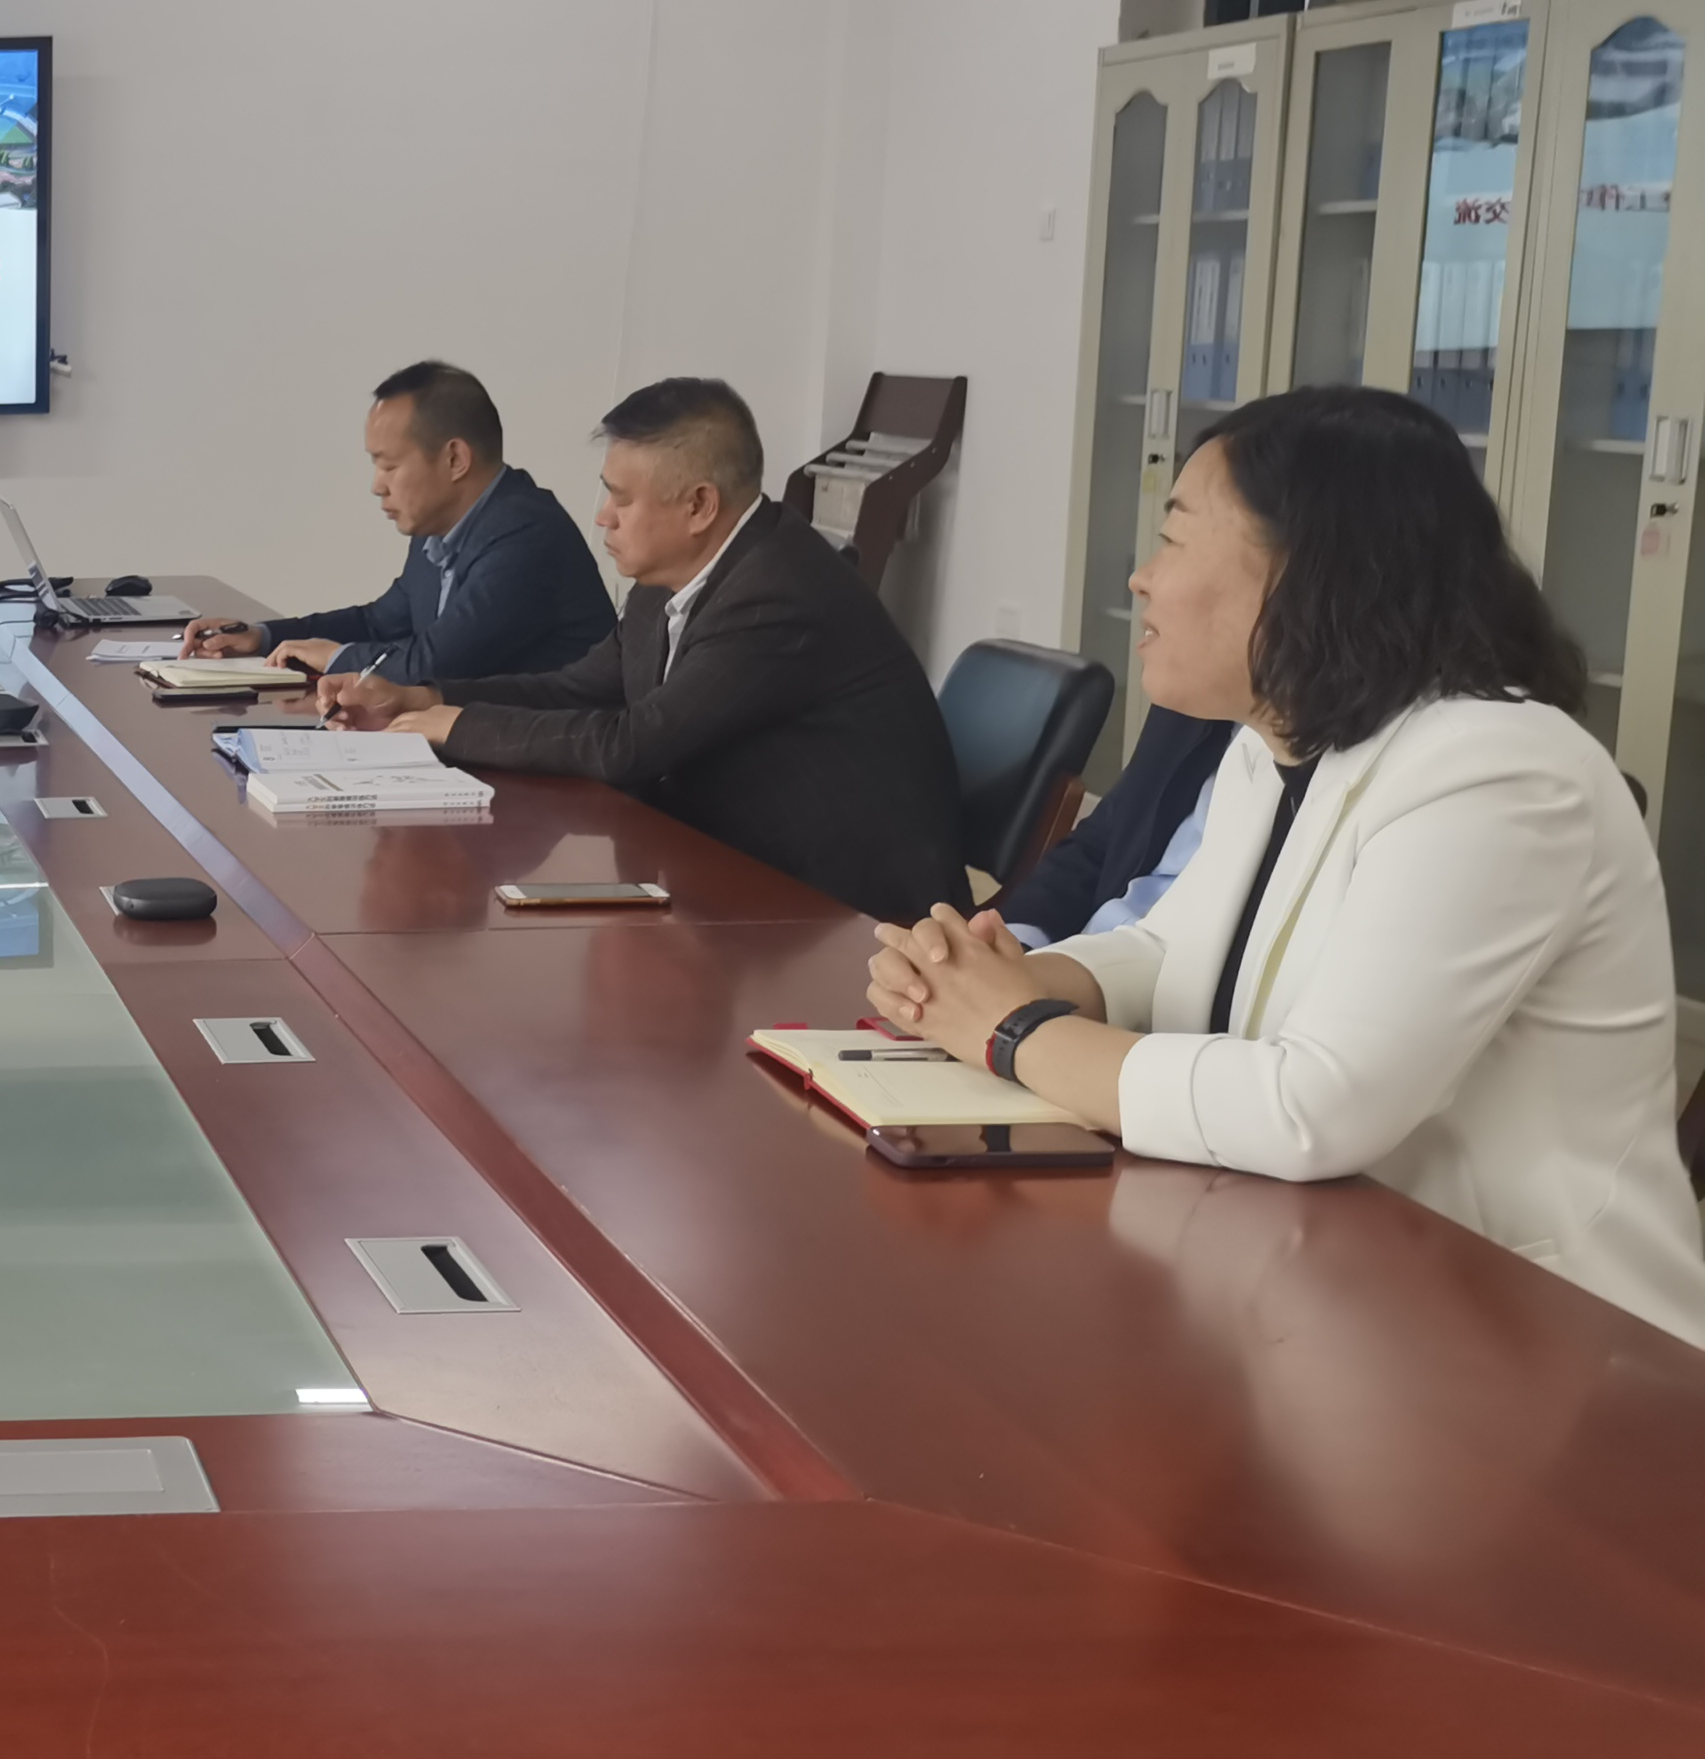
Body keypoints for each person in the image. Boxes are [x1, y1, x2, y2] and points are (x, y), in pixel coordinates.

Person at [868, 386, 1705, 1349]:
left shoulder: (1500, 770)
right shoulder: (1279, 742)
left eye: (1174, 539)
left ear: (1311, 573)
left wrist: (1010, 1032)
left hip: (1549, 1349)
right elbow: (1167, 947)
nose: (1142, 579)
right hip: (1331, 1290)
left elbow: (1315, 1106)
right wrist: (1016, 975)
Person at [324, 376, 966, 922]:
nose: (602, 516)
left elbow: (631, 744)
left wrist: (453, 725)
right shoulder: (669, 578)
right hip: (738, 873)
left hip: (852, 916)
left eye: (622, 499)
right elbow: (576, 687)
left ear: (699, 505)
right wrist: (424, 698)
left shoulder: (777, 594)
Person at [180, 359, 609, 681]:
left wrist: (334, 658)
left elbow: (436, 665)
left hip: (553, 766)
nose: (377, 486)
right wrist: (263, 637)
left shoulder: (527, 534)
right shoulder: (439, 529)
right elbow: (378, 623)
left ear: (455, 459)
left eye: (389, 465)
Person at [992, 704, 1233, 948]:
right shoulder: (1187, 709)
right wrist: (1016, 941)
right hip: (1081, 954)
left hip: (1143, 966)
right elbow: (1101, 839)